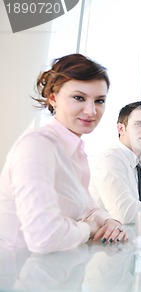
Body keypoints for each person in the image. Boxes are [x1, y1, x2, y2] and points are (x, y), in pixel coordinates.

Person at [0, 54, 125, 254]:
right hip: (17, 274)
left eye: (99, 101)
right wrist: (90, 228)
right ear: (53, 97)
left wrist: (108, 221)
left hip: (54, 271)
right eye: (79, 98)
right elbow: (44, 237)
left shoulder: (75, 151)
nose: (91, 111)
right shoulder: (37, 146)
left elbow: (87, 207)